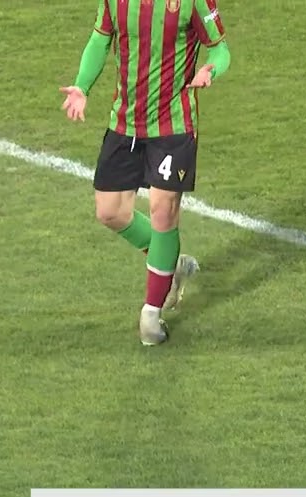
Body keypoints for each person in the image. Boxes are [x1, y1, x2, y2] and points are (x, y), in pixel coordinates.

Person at [60, 0, 232, 345]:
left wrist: (210, 70)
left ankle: (151, 316)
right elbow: (100, 39)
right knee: (110, 212)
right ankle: (171, 265)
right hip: (125, 123)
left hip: (173, 126)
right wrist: (81, 86)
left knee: (162, 212)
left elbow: (221, 50)